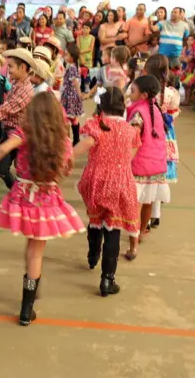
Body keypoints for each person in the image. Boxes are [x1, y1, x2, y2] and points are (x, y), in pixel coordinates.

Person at [0, 91, 85, 326]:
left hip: (24, 197)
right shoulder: (64, 140)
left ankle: (30, 291)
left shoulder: (24, 132)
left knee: (30, 248)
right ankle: (27, 308)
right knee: (36, 250)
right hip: (47, 198)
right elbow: (66, 169)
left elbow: (3, 149)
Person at [74, 87, 140, 297]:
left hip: (95, 179)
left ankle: (93, 254)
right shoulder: (130, 130)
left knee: (96, 219)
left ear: (101, 107)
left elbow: (84, 145)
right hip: (120, 182)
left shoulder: (96, 126)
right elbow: (131, 153)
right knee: (114, 228)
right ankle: (107, 280)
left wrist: (65, 159)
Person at [125, 75, 169, 261]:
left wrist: (124, 159)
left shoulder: (138, 113)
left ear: (143, 94)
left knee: (134, 207)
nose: (129, 93)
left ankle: (133, 247)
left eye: (132, 91)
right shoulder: (155, 110)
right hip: (156, 164)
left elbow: (133, 140)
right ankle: (142, 232)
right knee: (148, 202)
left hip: (140, 165)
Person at [0, 49, 35, 189]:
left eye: (10, 67)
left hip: (19, 135)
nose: (7, 70)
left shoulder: (26, 90)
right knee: (2, 168)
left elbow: (7, 108)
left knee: (18, 169)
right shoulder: (17, 83)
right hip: (10, 131)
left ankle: (20, 194)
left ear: (23, 67)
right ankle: (17, 192)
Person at [142, 55, 180, 230]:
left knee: (148, 176)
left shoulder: (146, 90)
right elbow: (174, 113)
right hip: (166, 135)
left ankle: (147, 218)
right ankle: (156, 214)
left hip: (149, 134)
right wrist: (168, 118)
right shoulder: (172, 93)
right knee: (160, 175)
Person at [61, 44, 84, 145]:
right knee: (73, 118)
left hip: (70, 95)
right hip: (71, 94)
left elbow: (75, 82)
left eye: (66, 55)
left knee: (65, 117)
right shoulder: (74, 66)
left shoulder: (71, 68)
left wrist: (79, 94)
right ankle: (76, 139)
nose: (64, 57)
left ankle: (68, 140)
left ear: (72, 57)